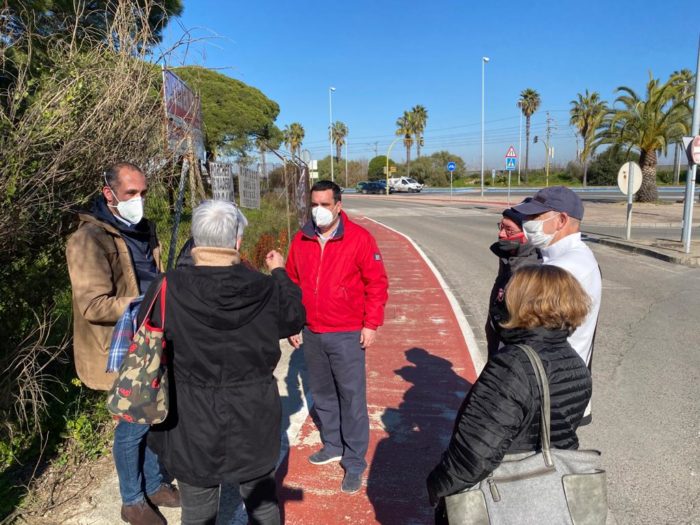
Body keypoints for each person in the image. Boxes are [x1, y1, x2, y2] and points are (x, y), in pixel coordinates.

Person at [143, 199, 306, 525]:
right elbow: (294, 318)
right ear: (237, 241)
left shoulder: (167, 287)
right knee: (262, 504)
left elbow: (147, 337)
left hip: (190, 418)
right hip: (253, 413)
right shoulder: (265, 287)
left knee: (199, 510)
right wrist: (279, 272)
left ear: (196, 240)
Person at [427, 265, 593, 519]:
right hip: (547, 492)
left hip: (504, 494)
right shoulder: (574, 361)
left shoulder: (513, 363)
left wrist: (438, 485)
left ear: (525, 302)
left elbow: (477, 451)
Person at [66, 162, 178, 525]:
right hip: (118, 348)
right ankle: (132, 500)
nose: (139, 200)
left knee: (150, 416)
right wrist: (145, 303)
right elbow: (93, 305)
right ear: (108, 194)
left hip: (150, 338)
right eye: (131, 194)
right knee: (132, 426)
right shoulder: (88, 239)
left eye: (143, 193)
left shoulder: (145, 230)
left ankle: (154, 483)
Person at [285, 180, 389, 494]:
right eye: (314, 204)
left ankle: (355, 461)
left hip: (347, 333)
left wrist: (371, 324)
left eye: (325, 204)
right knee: (324, 395)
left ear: (338, 206)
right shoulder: (301, 238)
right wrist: (293, 323)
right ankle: (333, 445)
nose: (318, 210)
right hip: (312, 332)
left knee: (352, 399)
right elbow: (290, 283)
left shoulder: (360, 239)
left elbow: (377, 284)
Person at [512, 186, 602, 423]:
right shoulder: (571, 256)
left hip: (548, 391)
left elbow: (522, 329)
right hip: (558, 385)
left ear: (561, 219)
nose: (527, 223)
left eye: (535, 217)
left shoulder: (564, 268)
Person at [485, 201, 541, 356]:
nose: (501, 234)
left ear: (528, 233)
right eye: (501, 227)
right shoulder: (508, 257)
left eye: (509, 230)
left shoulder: (530, 270)